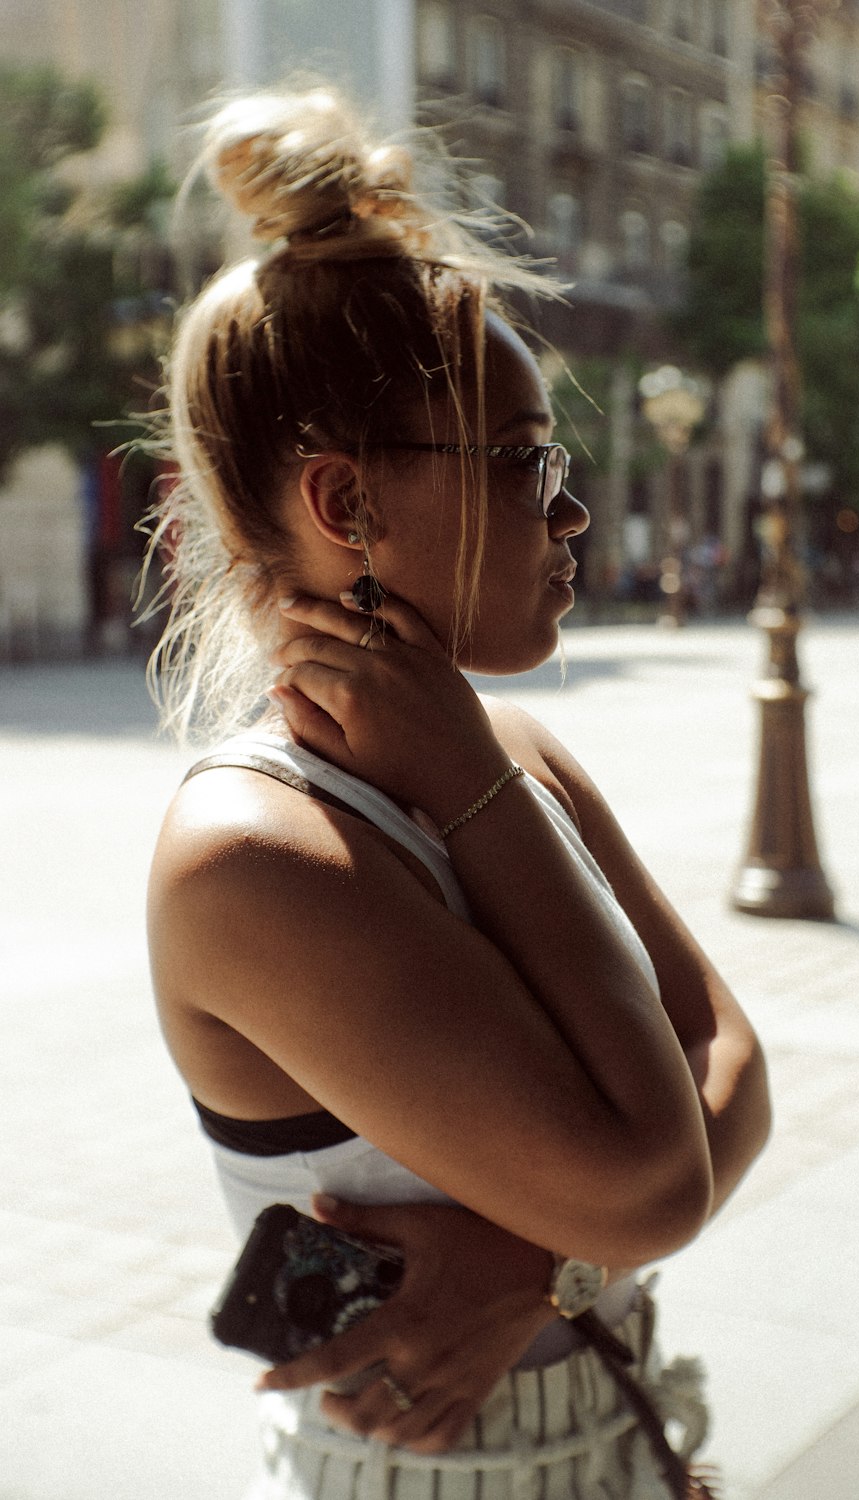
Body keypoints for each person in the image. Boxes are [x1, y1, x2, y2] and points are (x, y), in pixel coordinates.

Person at [144, 85, 771, 1500]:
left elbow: (737, 1069)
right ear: (346, 504)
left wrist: (528, 1262)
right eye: (527, 457)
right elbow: (658, 1176)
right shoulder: (251, 855)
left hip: (619, 1446)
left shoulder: (514, 758)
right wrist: (578, 1239)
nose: (573, 509)